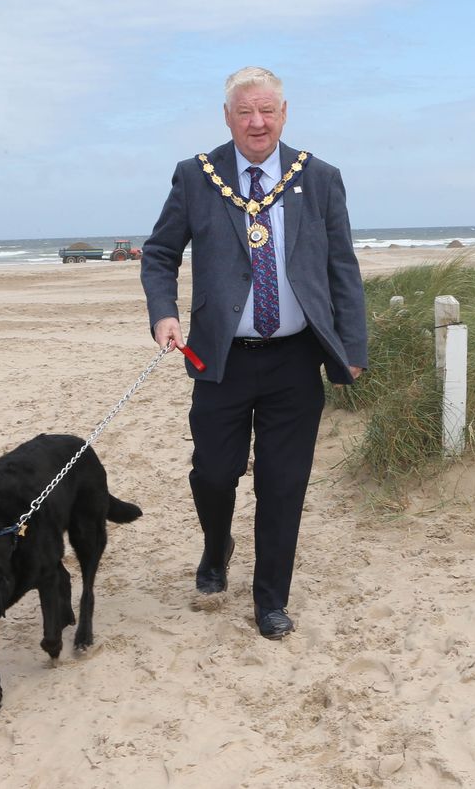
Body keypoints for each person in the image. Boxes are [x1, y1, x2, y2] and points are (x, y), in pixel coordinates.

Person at [140, 66, 367, 640]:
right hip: (220, 360)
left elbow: (343, 267)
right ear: (228, 117)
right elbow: (160, 253)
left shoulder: (319, 177)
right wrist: (164, 313)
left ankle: (270, 599)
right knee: (213, 475)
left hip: (295, 361)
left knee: (283, 483)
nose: (257, 122)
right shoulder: (197, 177)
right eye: (245, 112)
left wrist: (353, 346)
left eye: (267, 111)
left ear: (284, 113)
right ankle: (217, 549)